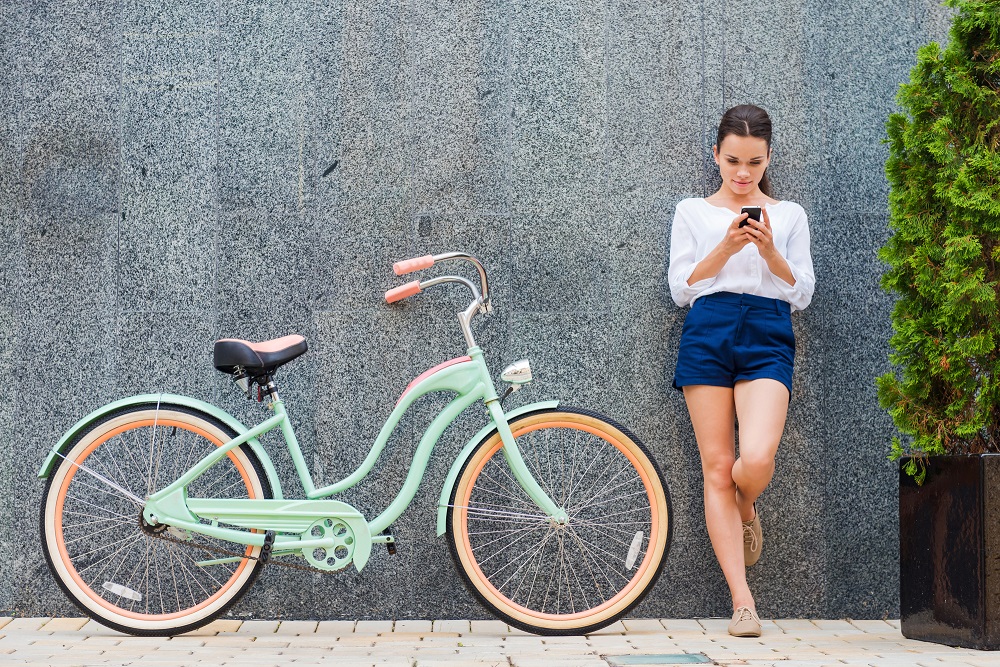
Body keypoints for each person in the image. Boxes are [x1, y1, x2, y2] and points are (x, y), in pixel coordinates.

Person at [667, 105, 815, 638]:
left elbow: (801, 292)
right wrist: (725, 247)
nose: (743, 173)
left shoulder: (790, 214)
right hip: (708, 327)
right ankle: (742, 602)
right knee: (716, 465)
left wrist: (771, 250)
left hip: (768, 330)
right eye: (733, 160)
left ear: (768, 157)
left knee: (753, 459)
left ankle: (746, 506)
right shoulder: (693, 212)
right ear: (716, 156)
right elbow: (681, 287)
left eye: (754, 161)